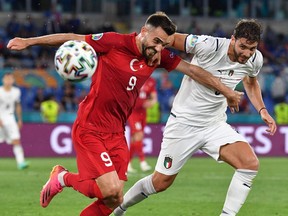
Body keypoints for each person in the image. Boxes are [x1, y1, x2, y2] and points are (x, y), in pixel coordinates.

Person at [7, 12, 242, 216]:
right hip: (91, 127)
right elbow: (74, 38)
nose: (159, 48)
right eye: (157, 41)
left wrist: (227, 91)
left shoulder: (157, 57)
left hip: (117, 133)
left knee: (114, 199)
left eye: (164, 44)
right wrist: (29, 41)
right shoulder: (113, 42)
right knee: (109, 189)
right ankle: (62, 178)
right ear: (143, 32)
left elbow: (191, 69)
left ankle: (62, 178)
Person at [113, 19, 277, 216]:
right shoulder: (209, 45)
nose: (246, 53)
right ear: (232, 39)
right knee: (160, 182)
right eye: (242, 46)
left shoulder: (254, 59)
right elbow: (171, 39)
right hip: (183, 123)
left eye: (252, 48)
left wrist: (262, 110)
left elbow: (251, 83)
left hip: (214, 125)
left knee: (249, 164)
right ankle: (119, 209)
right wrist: (151, 48)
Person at [127, 76, 158, 173]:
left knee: (135, 138)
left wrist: (151, 102)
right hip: (133, 112)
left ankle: (127, 163)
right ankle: (143, 162)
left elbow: (154, 97)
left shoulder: (151, 81)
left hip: (143, 113)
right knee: (138, 135)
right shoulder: (134, 78)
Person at [0, 73, 29, 170]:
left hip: (11, 118)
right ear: (3, 80)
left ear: (13, 81)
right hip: (0, 117)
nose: (8, 81)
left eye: (10, 79)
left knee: (16, 140)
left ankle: (21, 163)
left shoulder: (16, 91)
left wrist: (19, 119)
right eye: (6, 79)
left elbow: (17, 105)